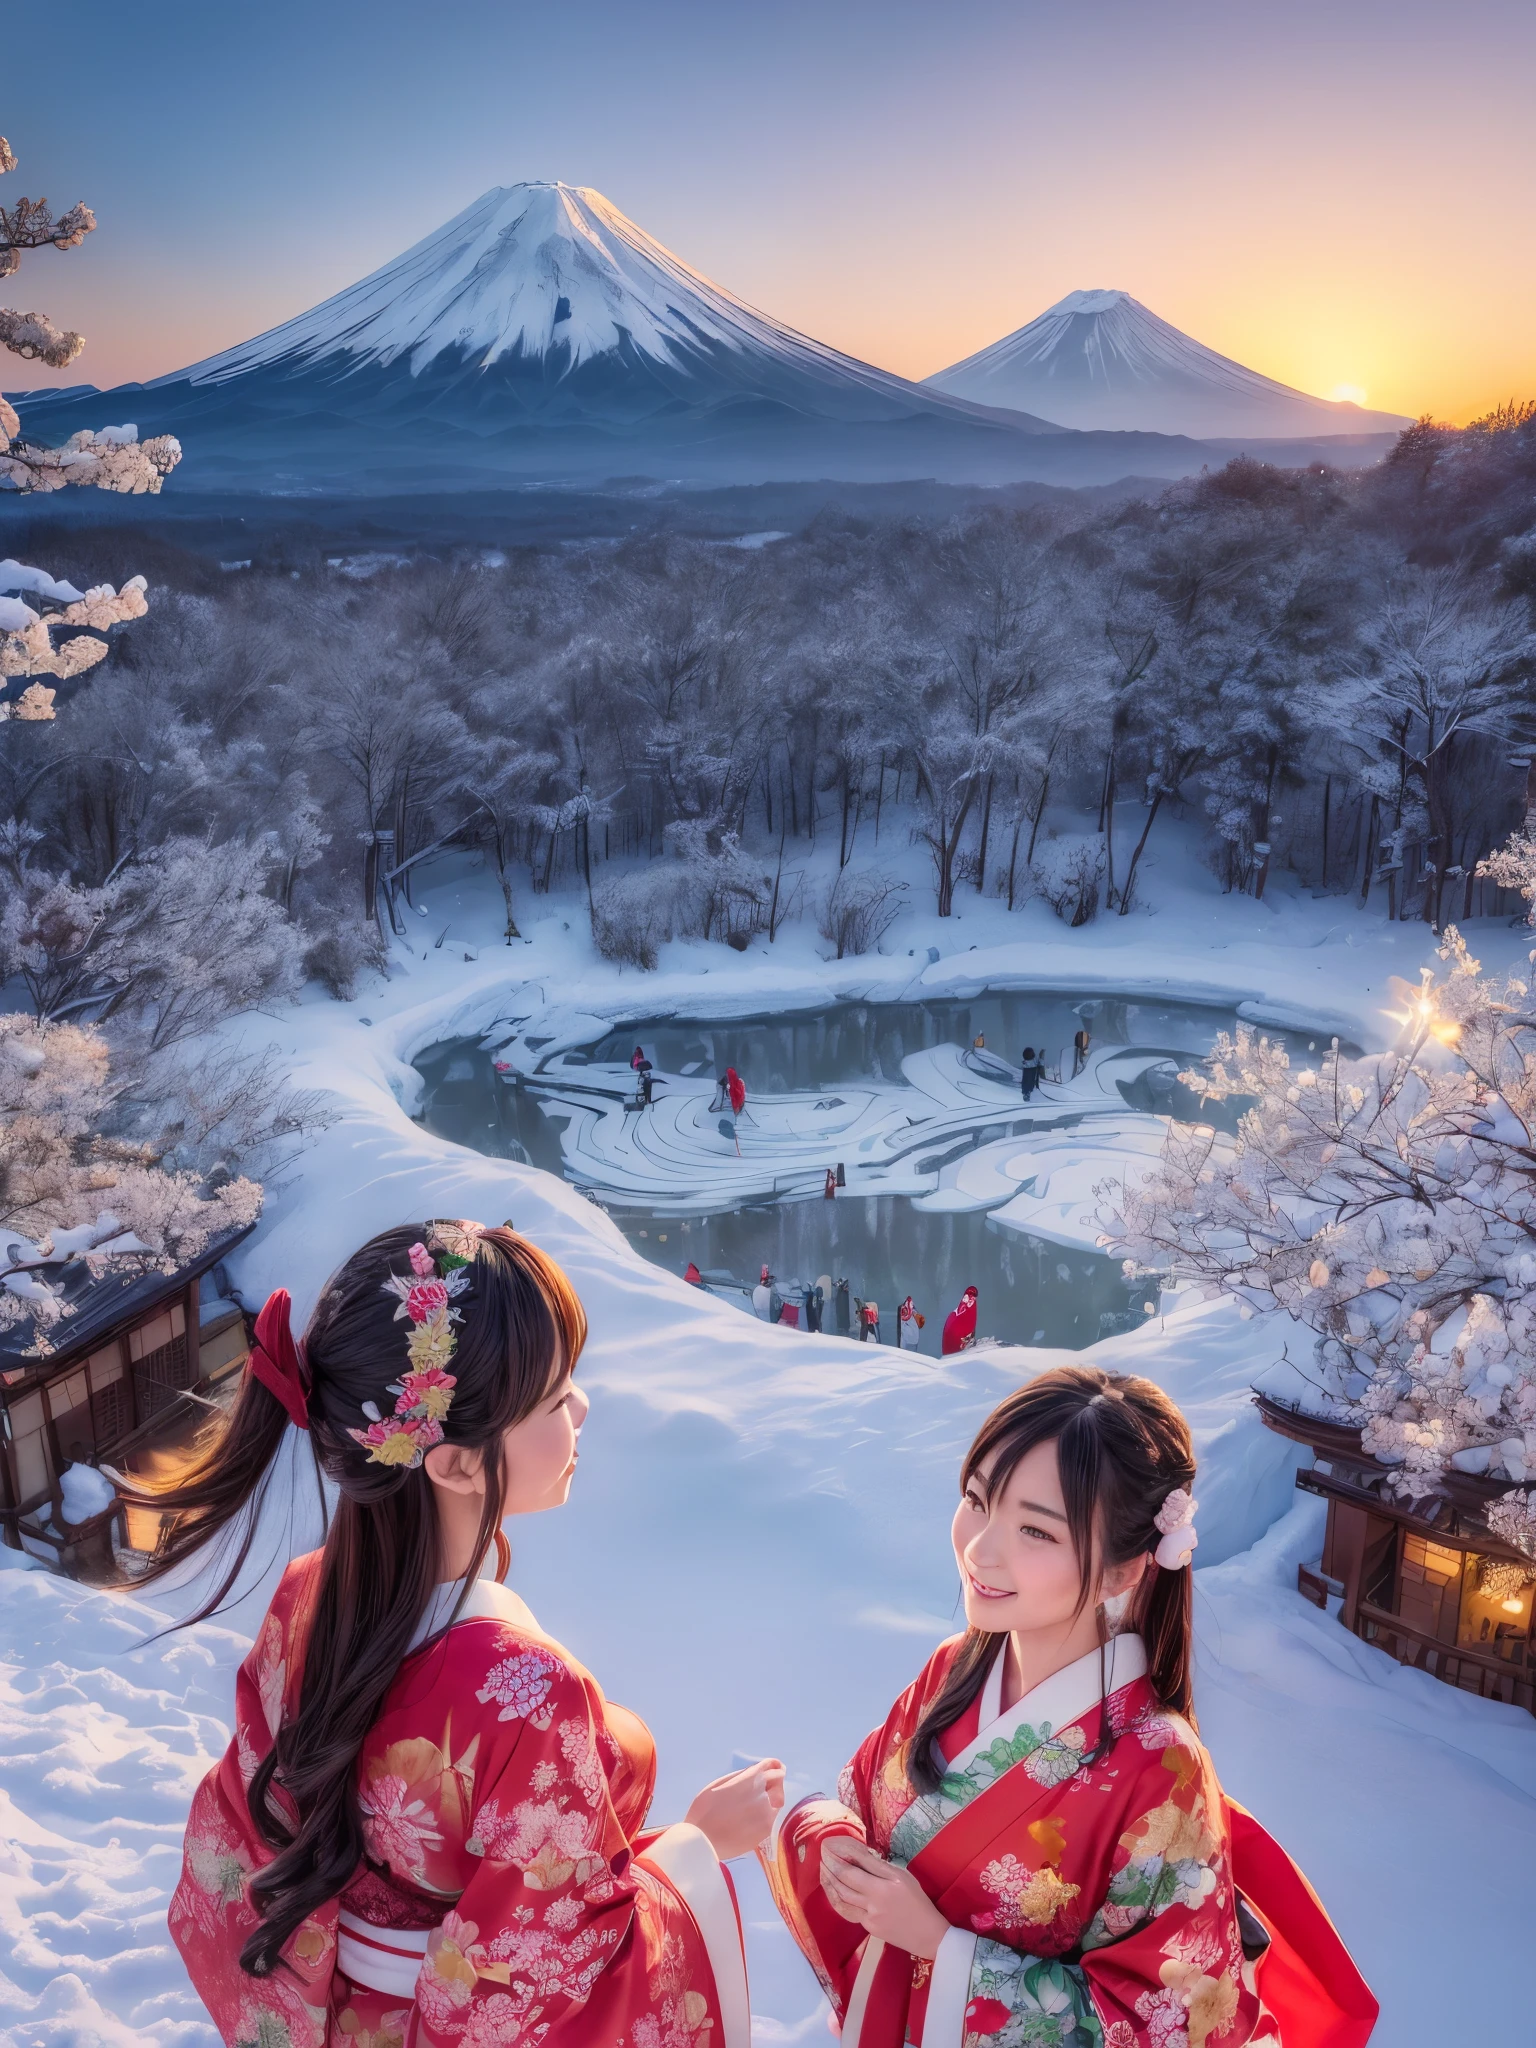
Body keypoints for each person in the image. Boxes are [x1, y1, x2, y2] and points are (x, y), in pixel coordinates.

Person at [129, 1220, 782, 2045]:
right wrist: (696, 1845)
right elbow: (535, 1974)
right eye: (553, 1398)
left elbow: (250, 1831)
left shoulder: (307, 1594)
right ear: (455, 1463)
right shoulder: (529, 1695)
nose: (583, 1405)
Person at [757, 1366, 1379, 2048]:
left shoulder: (1160, 1770)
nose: (979, 1549)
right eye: (977, 1500)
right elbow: (860, 1799)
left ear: (1123, 1567)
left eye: (1037, 1532)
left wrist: (942, 1946)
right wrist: (830, 1838)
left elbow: (1162, 2023)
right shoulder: (954, 1666)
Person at [942, 1283, 978, 1355]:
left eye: (973, 1298)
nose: (970, 1301)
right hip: (954, 1349)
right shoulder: (954, 1315)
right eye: (967, 1298)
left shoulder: (971, 1310)